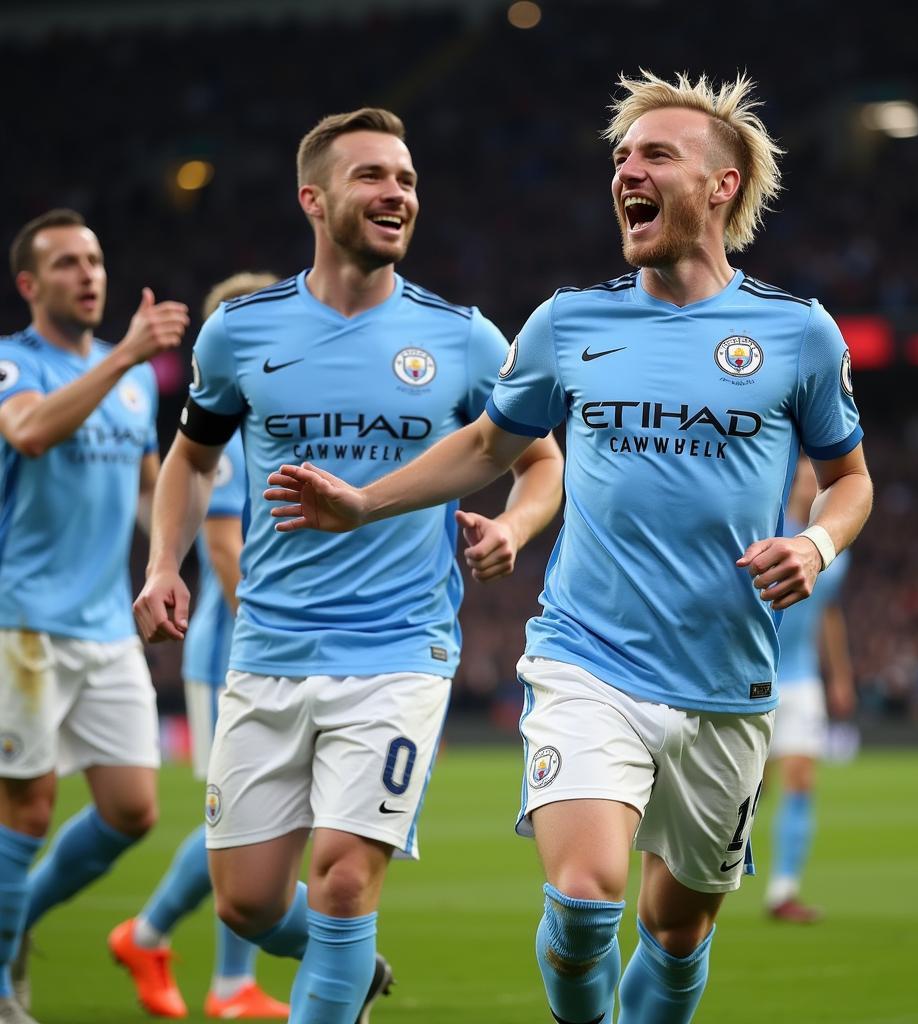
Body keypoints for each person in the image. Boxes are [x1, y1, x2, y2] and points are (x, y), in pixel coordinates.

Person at [262, 71, 874, 1024]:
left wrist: (818, 545)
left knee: (675, 936)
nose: (627, 170)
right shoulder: (567, 322)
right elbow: (489, 445)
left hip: (726, 682)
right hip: (589, 660)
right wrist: (364, 502)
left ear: (720, 185)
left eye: (655, 154)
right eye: (621, 158)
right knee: (586, 903)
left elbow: (850, 480)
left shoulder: (796, 334)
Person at [132, 108, 564, 1024]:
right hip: (268, 650)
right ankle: (350, 969)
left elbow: (542, 459)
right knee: (247, 900)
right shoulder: (239, 333)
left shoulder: (466, 339)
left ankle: (337, 968)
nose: (396, 194)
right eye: (372, 176)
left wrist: (516, 529)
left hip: (399, 653)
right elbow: (191, 458)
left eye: (406, 180)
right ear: (313, 198)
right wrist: (164, 563)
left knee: (338, 881)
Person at [0, 209, 188, 1024]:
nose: (89, 274)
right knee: (27, 810)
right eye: (69, 263)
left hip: (107, 624)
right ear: (30, 285)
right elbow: (33, 432)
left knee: (131, 810)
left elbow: (151, 487)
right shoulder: (14, 363)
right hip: (24, 623)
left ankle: (16, 923)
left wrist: (169, 564)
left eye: (96, 259)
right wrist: (125, 354)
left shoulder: (137, 382)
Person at [108, 272, 292, 1019]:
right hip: (234, 655)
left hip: (274, 655)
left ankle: (206, 971)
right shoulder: (227, 432)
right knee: (246, 821)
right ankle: (173, 949)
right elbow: (224, 554)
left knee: (266, 821)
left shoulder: (280, 421)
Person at [764, 454, 855, 924]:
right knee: (741, 789)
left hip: (801, 679)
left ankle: (783, 891)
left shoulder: (829, 541)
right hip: (751, 677)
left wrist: (839, 674)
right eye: (800, 474)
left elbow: (829, 612)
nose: (806, 482)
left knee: (800, 779)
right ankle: (696, 882)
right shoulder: (767, 529)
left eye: (812, 476)